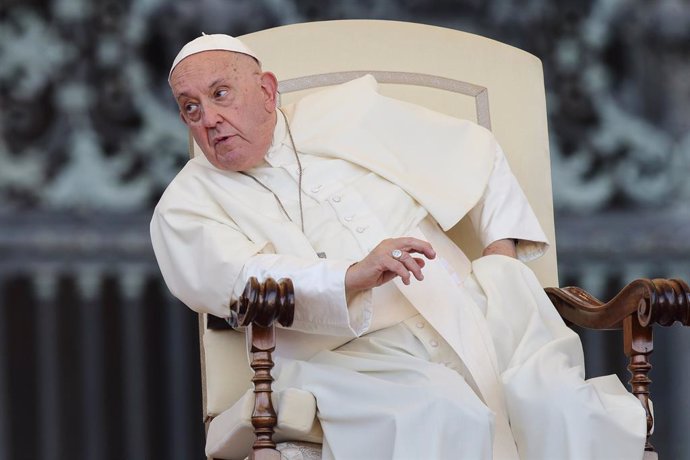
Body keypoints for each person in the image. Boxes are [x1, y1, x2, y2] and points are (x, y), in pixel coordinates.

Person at [150, 34, 646, 460]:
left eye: (221, 95)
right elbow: (236, 280)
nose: (209, 119)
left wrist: (501, 264)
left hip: (475, 314)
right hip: (351, 357)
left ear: (266, 90)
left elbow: (476, 152)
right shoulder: (185, 206)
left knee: (562, 408)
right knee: (440, 409)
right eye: (191, 108)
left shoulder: (342, 115)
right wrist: (352, 276)